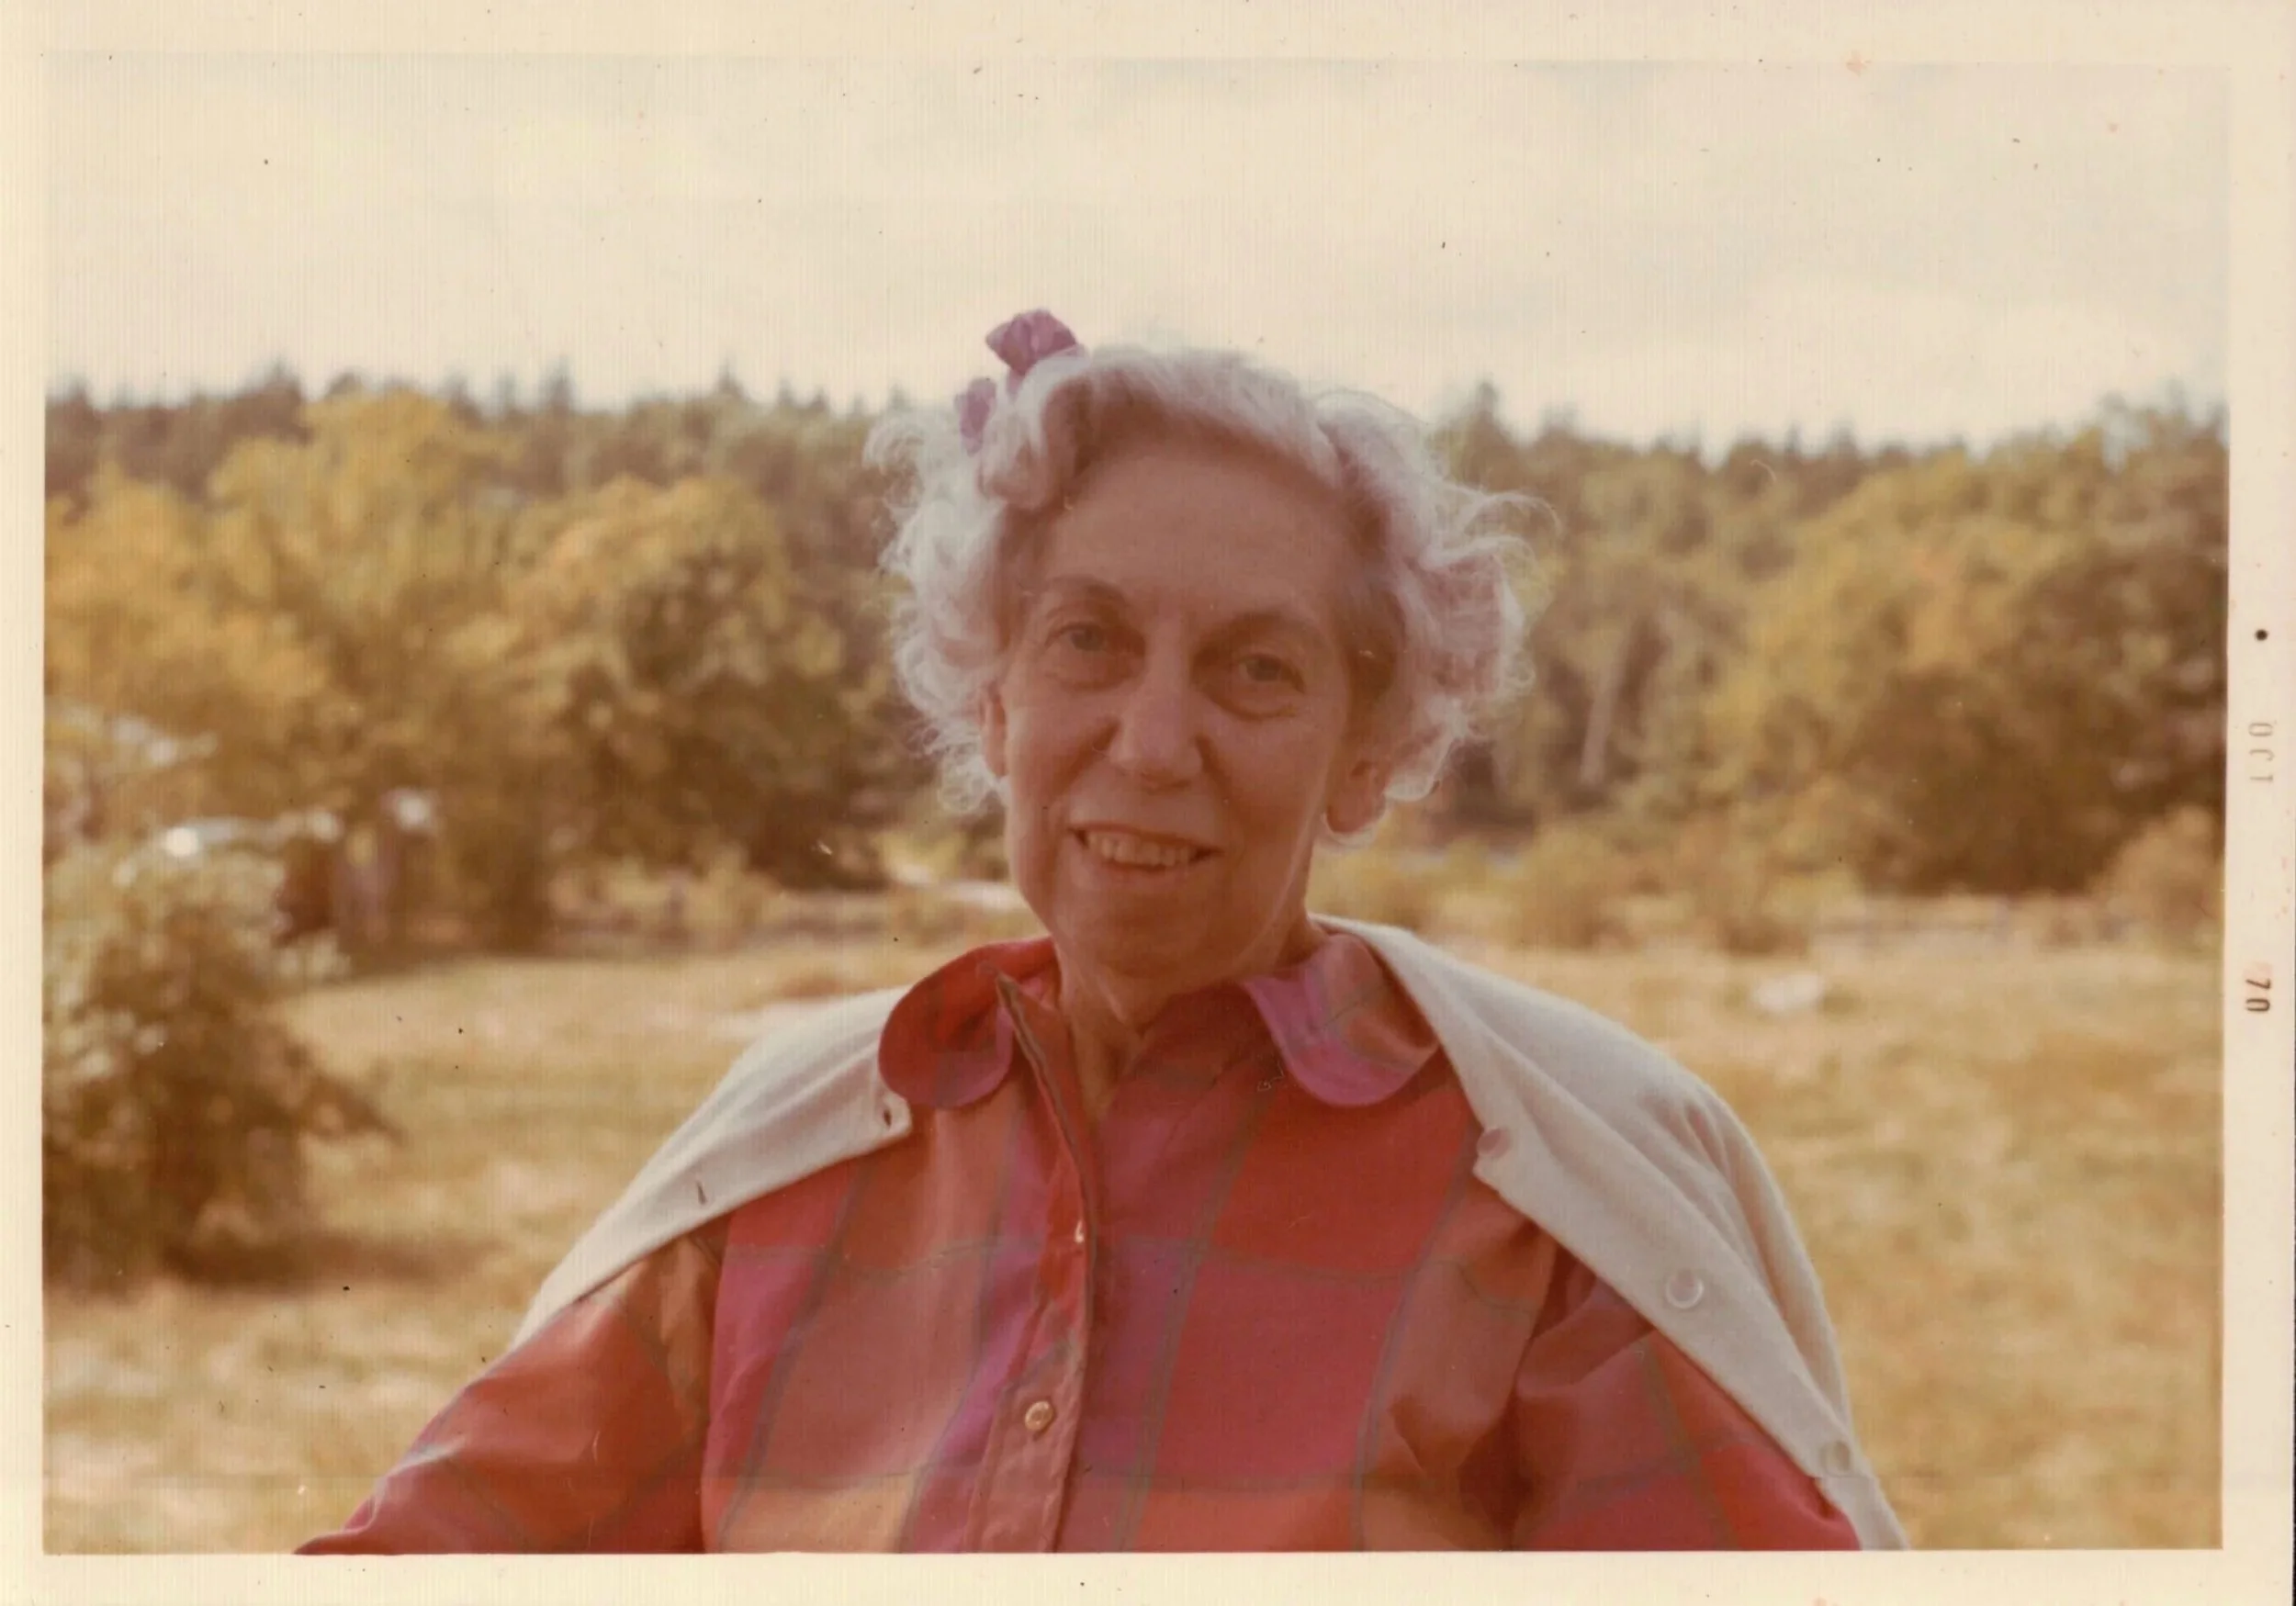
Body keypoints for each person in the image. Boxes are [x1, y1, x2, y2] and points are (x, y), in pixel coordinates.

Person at [298, 311, 1905, 1554]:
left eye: (1257, 670)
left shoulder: (1544, 1208)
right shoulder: (780, 1177)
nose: (1151, 740)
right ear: (994, 700)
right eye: (1088, 640)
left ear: (1371, 746)